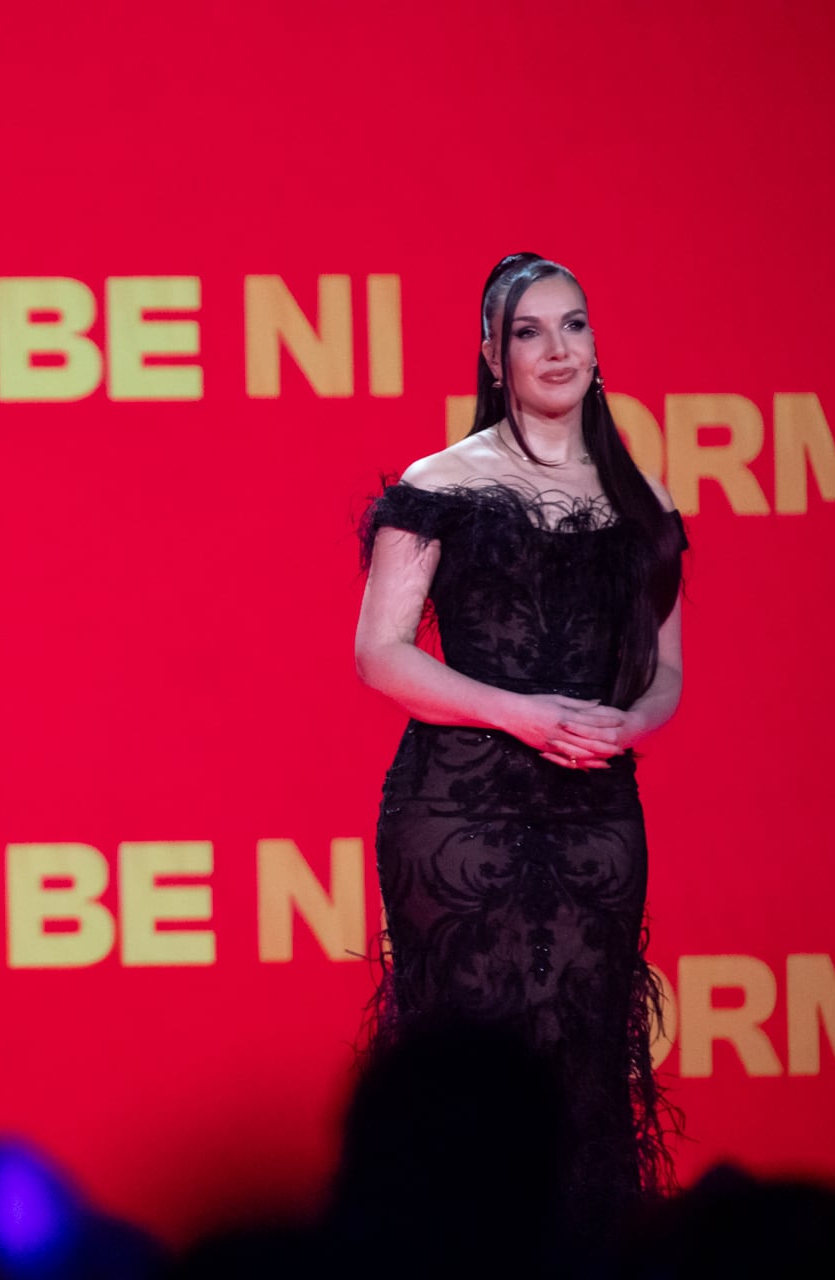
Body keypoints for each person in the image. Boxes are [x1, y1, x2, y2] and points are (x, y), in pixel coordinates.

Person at [353, 253, 686, 1230]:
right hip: (460, 811)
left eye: (574, 325)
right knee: (464, 1080)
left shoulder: (643, 500)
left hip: (596, 814)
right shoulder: (441, 484)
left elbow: (664, 672)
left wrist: (633, 721)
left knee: (586, 1071)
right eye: (530, 330)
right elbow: (379, 655)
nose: (558, 347)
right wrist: (520, 712)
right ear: (493, 357)